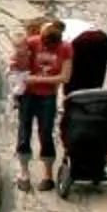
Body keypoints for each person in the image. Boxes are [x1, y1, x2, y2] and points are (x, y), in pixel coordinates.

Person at [12, 14, 71, 191]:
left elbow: (65, 77)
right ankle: (24, 172)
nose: (45, 47)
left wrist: (34, 79)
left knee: (46, 132)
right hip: (28, 96)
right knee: (24, 130)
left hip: (48, 97)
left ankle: (47, 174)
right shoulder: (32, 42)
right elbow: (18, 59)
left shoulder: (66, 48)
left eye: (50, 46)